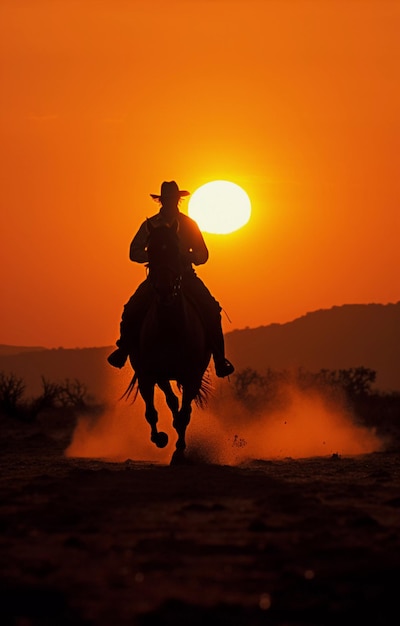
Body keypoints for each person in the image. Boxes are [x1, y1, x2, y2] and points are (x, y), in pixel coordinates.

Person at [107, 180, 235, 378]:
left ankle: (219, 359)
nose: (170, 202)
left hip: (186, 276)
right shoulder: (150, 225)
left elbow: (203, 254)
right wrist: (154, 257)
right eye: (167, 199)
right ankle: (123, 350)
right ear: (162, 201)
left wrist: (188, 256)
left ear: (178, 200)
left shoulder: (189, 224)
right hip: (156, 279)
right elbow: (134, 252)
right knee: (131, 308)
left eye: (173, 199)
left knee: (211, 308)